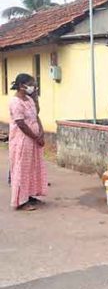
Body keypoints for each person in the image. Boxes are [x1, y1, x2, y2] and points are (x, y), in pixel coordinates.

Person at [8, 73, 47, 210]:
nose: (33, 87)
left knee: (33, 168)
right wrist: (35, 137)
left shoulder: (29, 100)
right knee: (22, 170)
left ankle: (30, 195)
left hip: (34, 140)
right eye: (30, 84)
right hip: (22, 140)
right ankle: (21, 201)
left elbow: (36, 116)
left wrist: (41, 133)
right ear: (21, 86)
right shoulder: (15, 102)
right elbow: (21, 124)